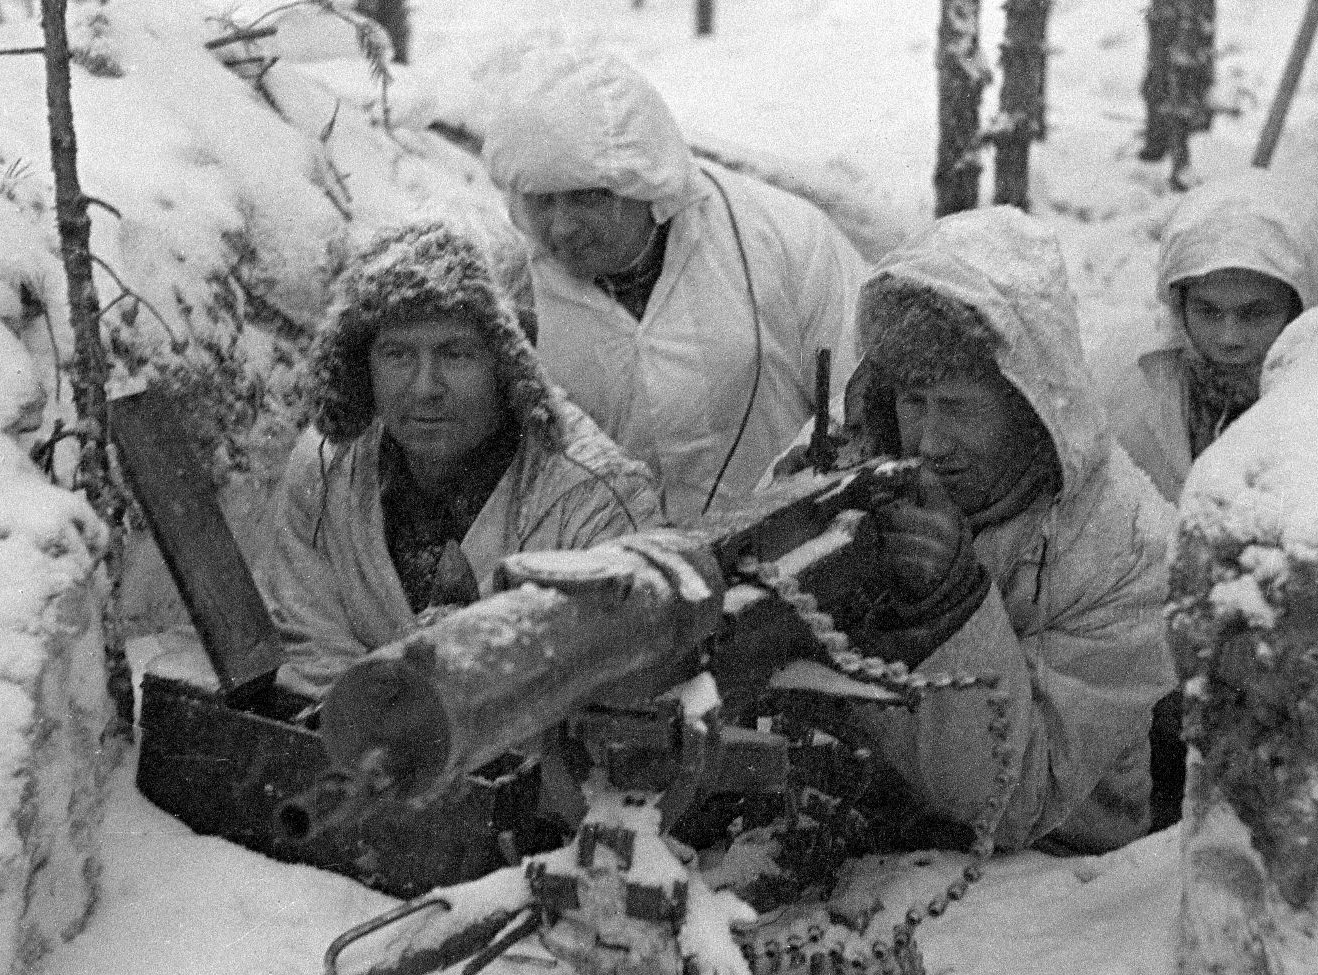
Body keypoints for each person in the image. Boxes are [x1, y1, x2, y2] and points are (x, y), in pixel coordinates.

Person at [836, 206, 1178, 854]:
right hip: (872, 845)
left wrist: (954, 608)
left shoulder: (1129, 549)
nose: (930, 442)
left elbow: (1019, 799)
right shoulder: (856, 465)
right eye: (914, 403)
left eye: (959, 408)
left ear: (1029, 406)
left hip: (1060, 878)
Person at [262, 221, 663, 698]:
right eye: (396, 354)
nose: (424, 388)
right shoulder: (326, 467)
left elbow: (611, 688)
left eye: (455, 354)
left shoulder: (594, 499)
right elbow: (305, 645)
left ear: (510, 365)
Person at [475, 47, 867, 523]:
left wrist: (798, 481)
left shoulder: (784, 239)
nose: (561, 229)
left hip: (786, 547)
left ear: (646, 187)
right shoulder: (509, 290)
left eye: (585, 199)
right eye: (541, 202)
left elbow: (863, 388)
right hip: (605, 577)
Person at [1112, 170, 1318, 502]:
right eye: (1208, 310)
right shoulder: (1126, 381)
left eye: (1256, 313)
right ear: (1179, 307)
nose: (1229, 338)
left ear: (1303, 310)